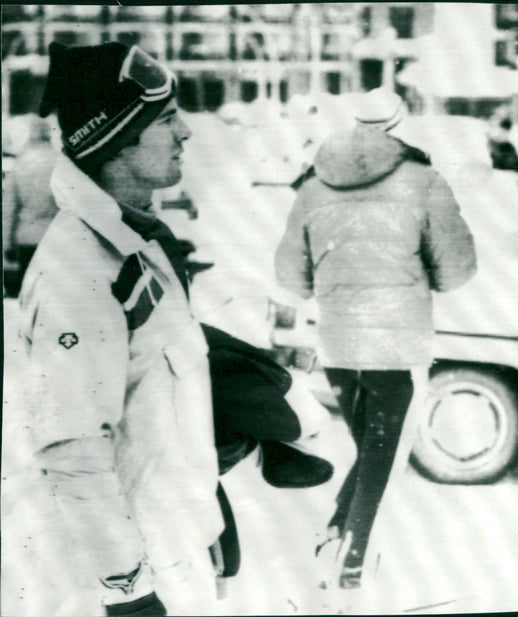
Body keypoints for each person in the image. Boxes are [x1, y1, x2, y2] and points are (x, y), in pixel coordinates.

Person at [17, 42, 224, 616]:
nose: (185, 132)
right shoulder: (81, 267)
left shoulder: (134, 241)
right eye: (165, 119)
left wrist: (210, 506)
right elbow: (73, 448)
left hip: (174, 544)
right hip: (140, 572)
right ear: (115, 139)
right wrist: (128, 593)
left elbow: (156, 389)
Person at [275, 88, 477, 591]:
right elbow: (456, 271)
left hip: (340, 349)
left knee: (371, 454)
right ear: (399, 125)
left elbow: (290, 276)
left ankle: (332, 540)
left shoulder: (312, 186)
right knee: (384, 465)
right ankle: (351, 574)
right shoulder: (425, 180)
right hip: (398, 348)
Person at [2, 116, 59, 297]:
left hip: (27, 237)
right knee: (53, 292)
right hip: (57, 236)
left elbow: (9, 208)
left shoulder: (20, 164)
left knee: (30, 291)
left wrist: (7, 243)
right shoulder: (60, 161)